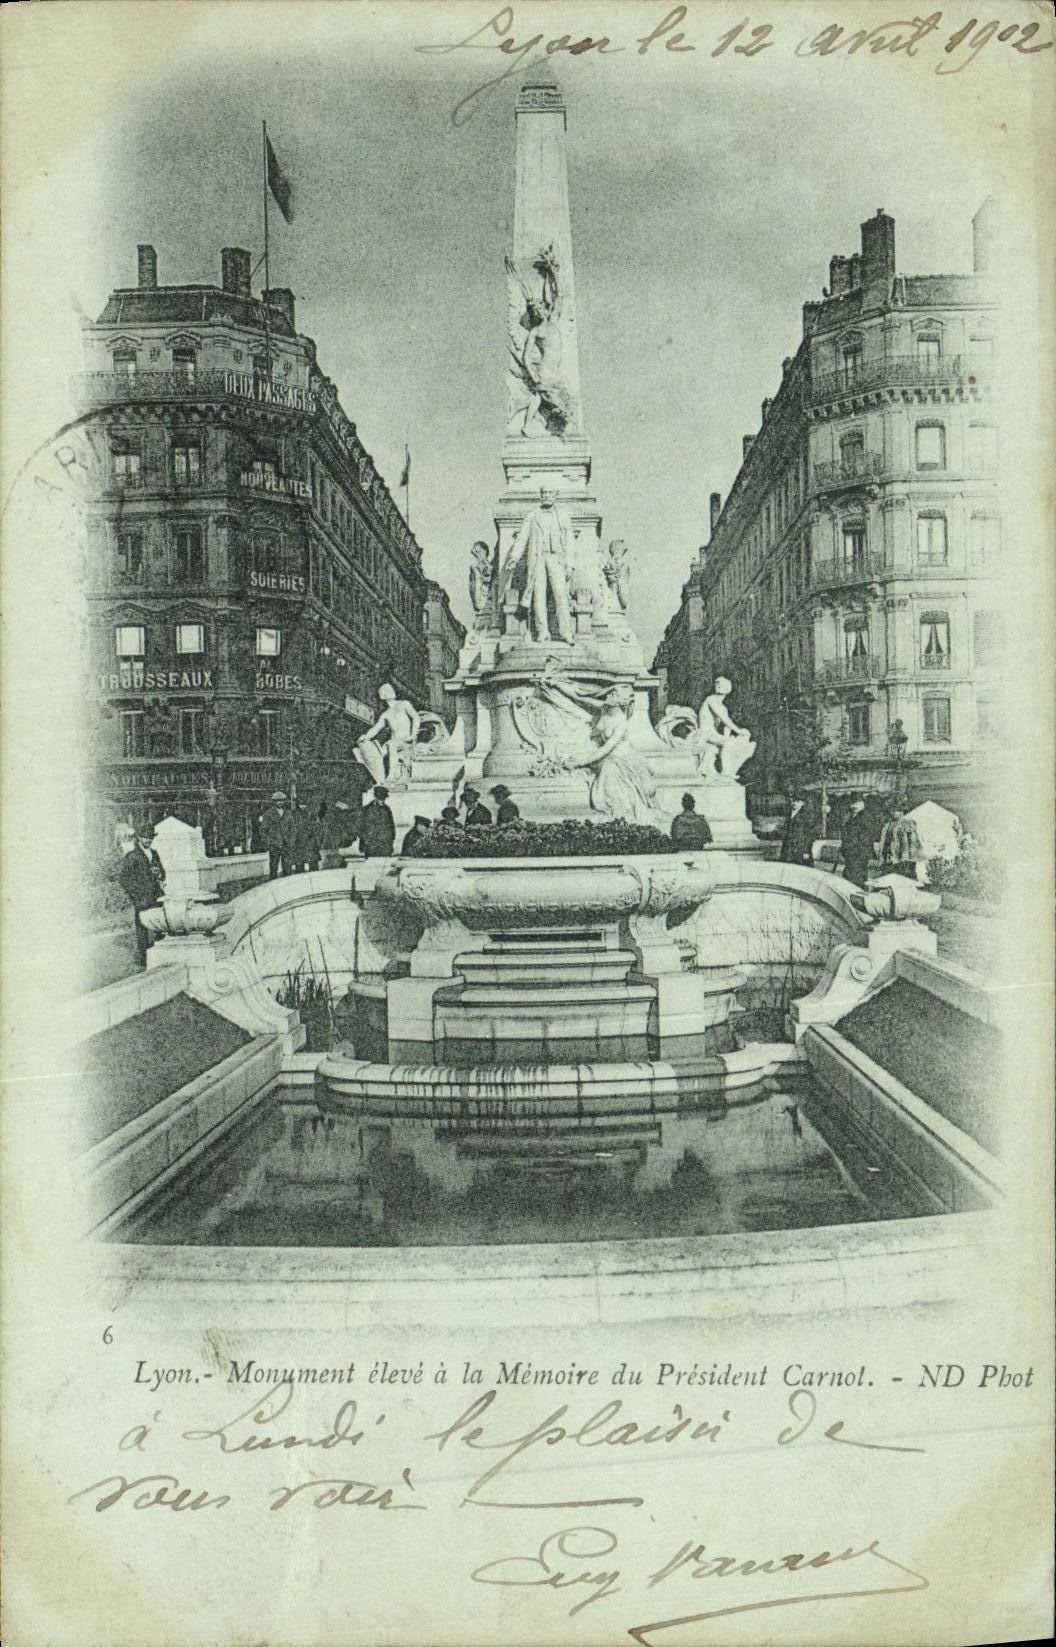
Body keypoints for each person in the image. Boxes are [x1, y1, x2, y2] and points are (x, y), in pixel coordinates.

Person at [119, 825, 165, 967]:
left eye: (151, 838)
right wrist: (135, 895)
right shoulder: (132, 856)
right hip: (142, 898)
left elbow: (163, 873)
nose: (148, 840)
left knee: (161, 925)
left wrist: (160, 875)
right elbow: (124, 879)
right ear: (139, 837)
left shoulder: (155, 853)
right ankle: (143, 959)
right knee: (142, 929)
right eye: (145, 837)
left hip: (157, 896)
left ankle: (161, 956)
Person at [879, 799, 924, 880]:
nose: (894, 812)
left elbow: (913, 843)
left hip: (903, 860)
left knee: (904, 880)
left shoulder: (908, 823)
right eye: (892, 810)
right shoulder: (887, 825)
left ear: (902, 810)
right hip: (889, 860)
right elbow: (884, 842)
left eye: (897, 810)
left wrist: (908, 858)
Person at [839, 794, 875, 888]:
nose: (853, 806)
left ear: (862, 803)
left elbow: (865, 838)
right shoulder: (852, 816)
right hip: (851, 854)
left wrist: (853, 850)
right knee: (849, 879)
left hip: (858, 855)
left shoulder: (865, 817)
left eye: (856, 803)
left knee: (856, 880)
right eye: (852, 803)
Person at [358, 786, 396, 858]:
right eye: (380, 798)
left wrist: (390, 842)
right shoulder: (366, 810)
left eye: (384, 798)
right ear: (375, 797)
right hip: (371, 847)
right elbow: (361, 828)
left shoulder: (387, 810)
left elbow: (392, 827)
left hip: (385, 846)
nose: (382, 801)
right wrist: (365, 842)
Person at [780, 796, 816, 867]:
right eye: (793, 801)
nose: (794, 803)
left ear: (802, 803)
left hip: (800, 850)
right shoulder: (788, 814)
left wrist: (806, 851)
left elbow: (810, 835)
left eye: (797, 801)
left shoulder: (807, 815)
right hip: (788, 850)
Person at [259, 790, 288, 879]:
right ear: (274, 802)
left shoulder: (288, 813)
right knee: (274, 867)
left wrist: (291, 840)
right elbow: (263, 830)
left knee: (287, 867)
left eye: (281, 800)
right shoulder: (268, 814)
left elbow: (292, 828)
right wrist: (269, 842)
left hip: (286, 844)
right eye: (277, 800)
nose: (280, 802)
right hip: (274, 845)